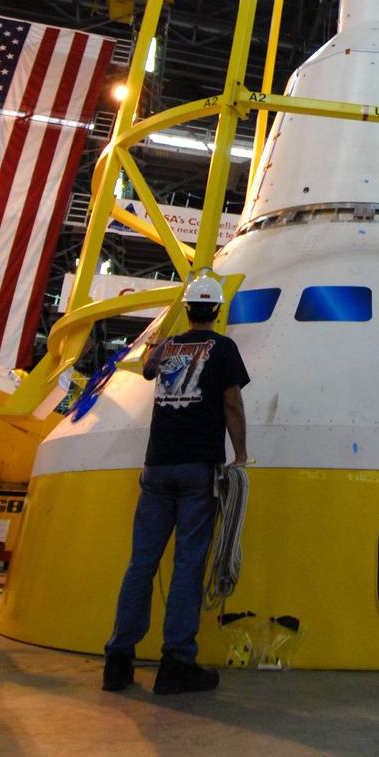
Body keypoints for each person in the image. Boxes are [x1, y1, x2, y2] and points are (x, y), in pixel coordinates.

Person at [102, 269, 249, 695]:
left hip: (157, 468)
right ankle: (177, 663)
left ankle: (118, 660)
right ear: (217, 310)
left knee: (141, 563)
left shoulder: (166, 348)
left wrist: (157, 342)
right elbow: (232, 403)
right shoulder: (223, 348)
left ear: (187, 309)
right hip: (197, 469)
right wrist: (240, 454)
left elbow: (148, 370)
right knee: (188, 565)